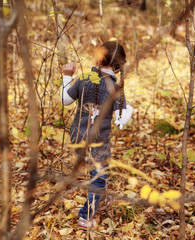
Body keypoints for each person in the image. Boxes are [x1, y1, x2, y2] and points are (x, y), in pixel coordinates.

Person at [60, 41, 133, 228]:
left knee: (100, 173)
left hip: (77, 137)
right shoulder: (115, 90)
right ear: (119, 68)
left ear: (98, 59)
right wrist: (129, 110)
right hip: (98, 142)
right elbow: (121, 118)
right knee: (99, 176)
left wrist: (67, 77)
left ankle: (102, 197)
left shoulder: (84, 79)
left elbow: (65, 100)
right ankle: (86, 215)